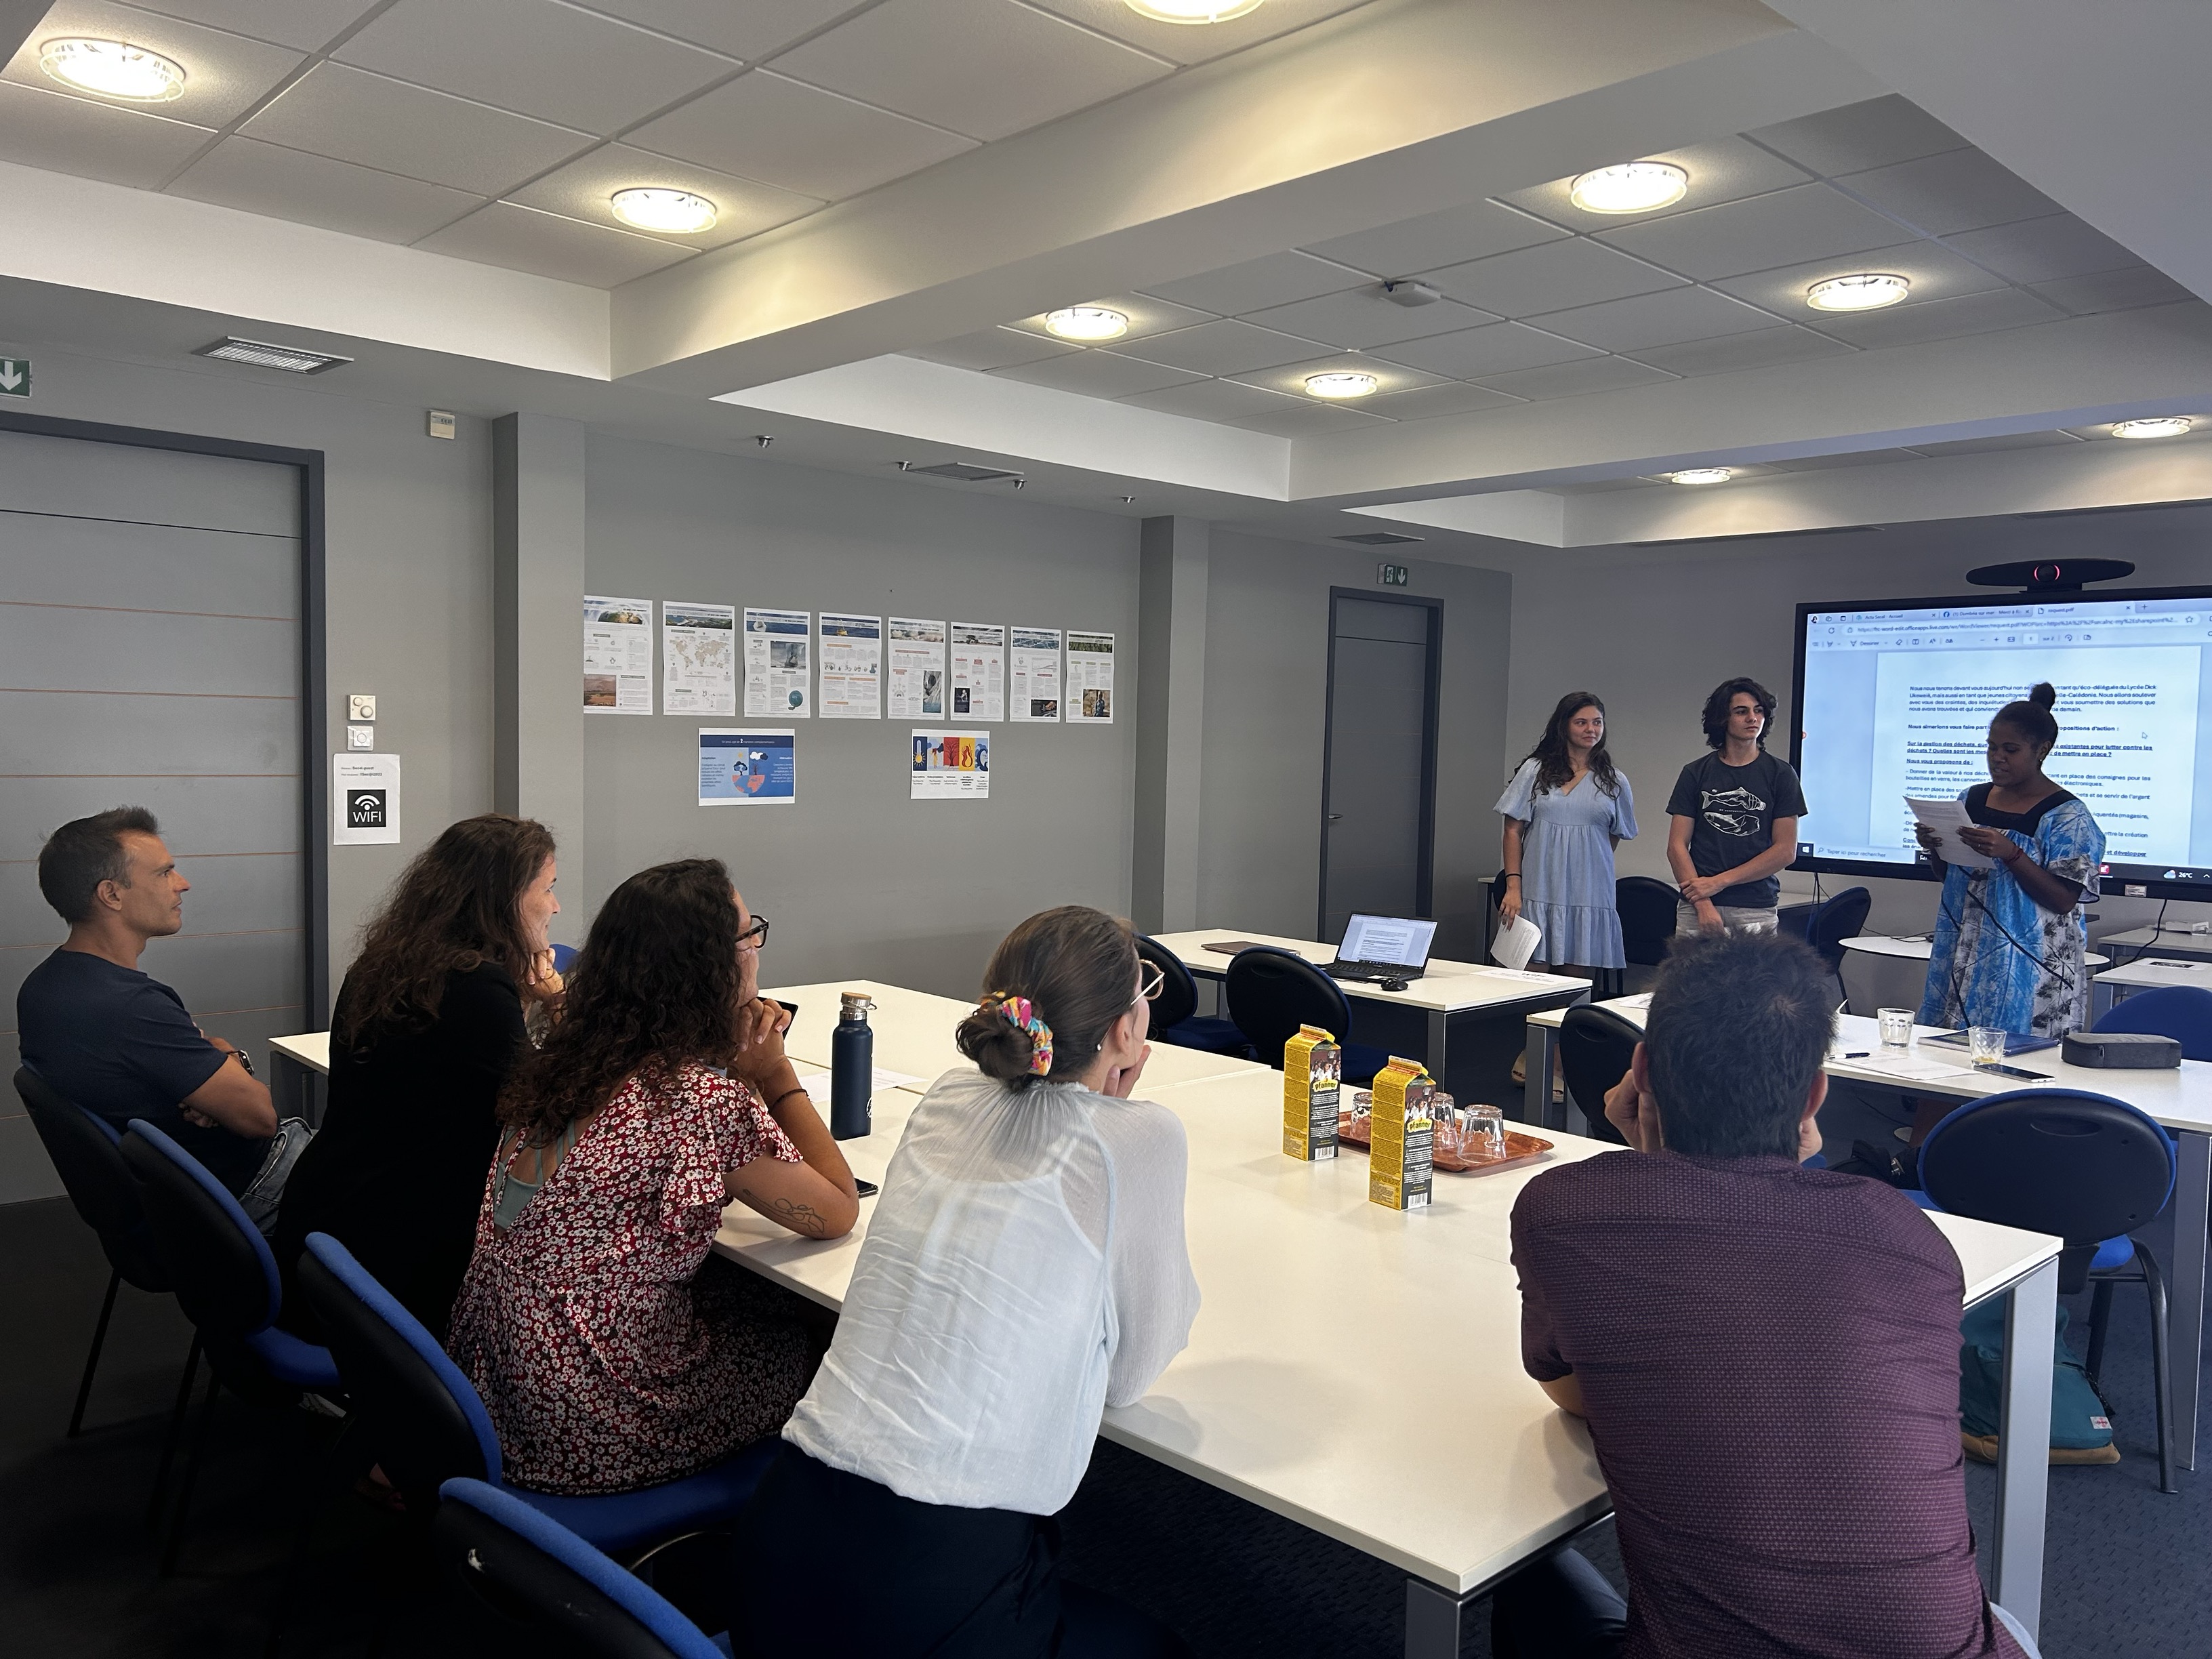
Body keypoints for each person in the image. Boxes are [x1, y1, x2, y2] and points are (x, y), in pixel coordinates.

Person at [1494, 931, 2036, 1659]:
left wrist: (1647, 1167)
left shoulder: (1566, 1212)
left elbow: (1578, 1395)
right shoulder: (1910, 1238)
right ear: (1815, 1096)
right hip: (1959, 1649)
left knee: (1528, 1575)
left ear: (1642, 1070)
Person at [730, 906, 1200, 1659]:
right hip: (922, 1593)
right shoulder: (1143, 1139)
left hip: (779, 1551)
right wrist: (1111, 1125)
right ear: (1124, 1030)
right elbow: (1130, 1378)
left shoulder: (948, 1095)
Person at [445, 859, 856, 1496]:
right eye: (746, 934)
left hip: (498, 1385)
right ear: (708, 967)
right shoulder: (695, 1099)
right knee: (822, 1339)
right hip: (593, 1419)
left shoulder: (568, 1058)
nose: (755, 946)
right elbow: (837, 1211)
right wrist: (774, 1073)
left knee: (746, 1294)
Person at [274, 815, 564, 1338]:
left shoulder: (385, 964)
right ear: (505, 899)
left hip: (332, 1219)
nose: (556, 906)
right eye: (548, 889)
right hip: (398, 1257)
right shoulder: (477, 988)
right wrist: (558, 1004)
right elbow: (550, 1111)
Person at [17, 807, 304, 1228]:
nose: (182, 883)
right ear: (111, 894)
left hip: (178, 1198)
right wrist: (230, 1059)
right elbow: (259, 1117)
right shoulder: (129, 1006)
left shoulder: (44, 987)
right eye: (164, 873)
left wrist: (207, 1081)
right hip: (252, 1186)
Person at [1917, 682, 2104, 1038]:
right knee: (1946, 1056)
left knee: (2020, 1061)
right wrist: (1936, 847)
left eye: (2010, 749)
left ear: (2041, 750)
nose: (1997, 757)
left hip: (2030, 968)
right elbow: (1954, 878)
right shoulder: (1970, 799)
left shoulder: (2068, 816)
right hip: (1963, 954)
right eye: (1992, 747)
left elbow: (2064, 899)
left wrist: (2012, 853)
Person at [1496, 692, 1638, 976]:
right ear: (1564, 726)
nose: (1591, 729)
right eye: (1581, 722)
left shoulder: (1614, 781)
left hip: (1589, 895)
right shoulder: (1534, 771)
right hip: (1538, 889)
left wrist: (1582, 859)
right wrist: (1513, 887)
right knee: (1524, 981)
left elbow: (1613, 836)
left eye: (1597, 722)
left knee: (1574, 987)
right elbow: (1512, 830)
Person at [1666, 676, 1805, 937]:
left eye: (1758, 711)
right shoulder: (1696, 772)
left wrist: (1719, 883)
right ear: (1723, 719)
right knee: (1691, 967)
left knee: (1754, 968)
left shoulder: (1781, 774)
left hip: (1754, 906)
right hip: (1697, 906)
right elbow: (1676, 846)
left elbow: (1786, 851)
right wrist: (1703, 903)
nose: (1753, 718)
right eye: (1741, 712)